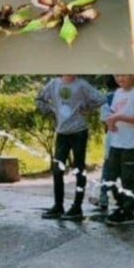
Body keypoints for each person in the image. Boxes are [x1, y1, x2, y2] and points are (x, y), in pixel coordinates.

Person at [36, 73, 105, 221]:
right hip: (62, 132)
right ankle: (58, 205)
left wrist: (87, 108)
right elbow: (40, 98)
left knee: (79, 169)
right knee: (57, 170)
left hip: (79, 131)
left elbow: (101, 99)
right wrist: (51, 112)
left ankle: (77, 207)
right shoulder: (53, 84)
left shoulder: (82, 85)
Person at [96, 72, 134, 223]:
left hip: (130, 144)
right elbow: (112, 114)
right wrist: (110, 122)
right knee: (110, 177)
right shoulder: (117, 93)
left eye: (123, 75)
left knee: (128, 179)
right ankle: (120, 205)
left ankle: (128, 211)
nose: (120, 79)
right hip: (115, 143)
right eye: (117, 75)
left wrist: (118, 118)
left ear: (132, 76)